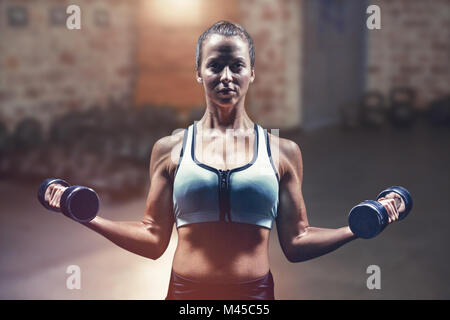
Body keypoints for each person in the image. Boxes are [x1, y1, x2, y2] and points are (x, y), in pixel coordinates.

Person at [45, 21, 401, 300]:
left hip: (254, 296)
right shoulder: (170, 149)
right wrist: (86, 215)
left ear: (251, 73)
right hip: (186, 294)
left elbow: (296, 241)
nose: (227, 76)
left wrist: (358, 228)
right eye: (215, 65)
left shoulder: (283, 152)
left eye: (237, 65)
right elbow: (153, 238)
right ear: (199, 72)